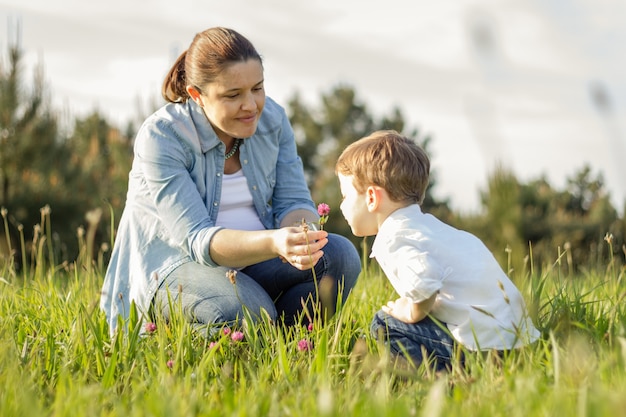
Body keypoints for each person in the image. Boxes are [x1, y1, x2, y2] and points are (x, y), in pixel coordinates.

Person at [100, 27, 361, 335]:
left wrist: (304, 237)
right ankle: (163, 336)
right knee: (250, 310)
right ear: (197, 95)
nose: (250, 105)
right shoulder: (163, 136)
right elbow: (198, 239)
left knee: (339, 257)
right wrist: (276, 242)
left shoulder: (272, 120)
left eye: (257, 88)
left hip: (258, 263)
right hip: (176, 269)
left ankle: (287, 342)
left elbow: (294, 202)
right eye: (233, 95)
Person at [335, 130, 540, 370]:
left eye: (345, 196)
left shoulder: (394, 236)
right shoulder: (431, 229)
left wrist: (410, 311)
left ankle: (443, 377)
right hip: (520, 342)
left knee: (384, 323)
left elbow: (424, 280)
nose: (341, 205)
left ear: (371, 198)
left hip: (483, 350)